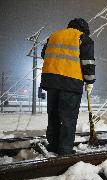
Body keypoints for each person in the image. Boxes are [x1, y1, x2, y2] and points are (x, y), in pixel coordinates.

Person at [40, 18, 96, 155]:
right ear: (83, 29)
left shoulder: (53, 36)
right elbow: (87, 63)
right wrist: (90, 81)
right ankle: (65, 150)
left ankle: (53, 145)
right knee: (68, 118)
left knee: (53, 116)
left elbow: (44, 54)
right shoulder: (83, 38)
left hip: (51, 82)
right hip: (70, 83)